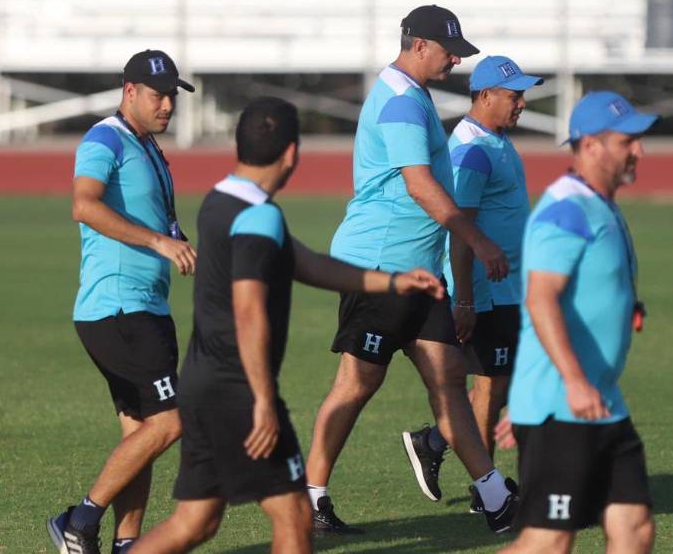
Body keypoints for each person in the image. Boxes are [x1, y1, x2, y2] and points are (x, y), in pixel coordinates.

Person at [130, 97, 445, 554]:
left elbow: (308, 263)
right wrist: (261, 399)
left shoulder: (223, 199)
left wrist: (393, 281)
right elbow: (249, 311)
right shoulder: (260, 218)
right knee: (295, 519)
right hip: (240, 391)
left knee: (195, 522)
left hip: (204, 384)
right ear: (293, 153)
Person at [305, 5, 518, 535]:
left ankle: (495, 498)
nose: (456, 62)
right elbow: (419, 183)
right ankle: (308, 497)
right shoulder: (400, 100)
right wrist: (474, 237)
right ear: (419, 45)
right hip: (379, 267)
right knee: (357, 384)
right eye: (451, 52)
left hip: (417, 272)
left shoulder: (413, 94)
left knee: (447, 378)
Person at [48, 50, 198, 554]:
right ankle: (78, 521)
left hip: (145, 306)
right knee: (171, 420)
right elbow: (83, 205)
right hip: (118, 308)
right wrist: (158, 243)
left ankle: (127, 542)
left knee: (142, 434)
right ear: (129, 91)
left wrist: (175, 238)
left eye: (173, 95)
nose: (168, 105)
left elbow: (159, 218)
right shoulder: (104, 138)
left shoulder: (148, 146)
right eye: (159, 95)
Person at [500, 91, 658, 554]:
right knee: (548, 544)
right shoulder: (565, 209)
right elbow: (539, 298)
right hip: (564, 406)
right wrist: (564, 383)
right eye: (628, 141)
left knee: (635, 528)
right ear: (590, 145)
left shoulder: (598, 203)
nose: (639, 151)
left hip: (600, 401)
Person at [401, 55, 541, 513]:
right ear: (484, 96)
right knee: (489, 388)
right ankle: (486, 490)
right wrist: (465, 300)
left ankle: (436, 442)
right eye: (513, 95)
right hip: (485, 292)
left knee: (495, 386)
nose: (521, 103)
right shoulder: (472, 150)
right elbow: (460, 231)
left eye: (522, 94)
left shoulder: (494, 141)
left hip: (506, 289)